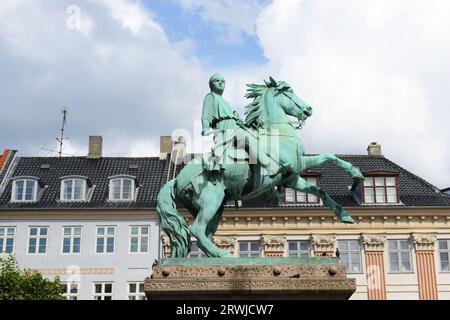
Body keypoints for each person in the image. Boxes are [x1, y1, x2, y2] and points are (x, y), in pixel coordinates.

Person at [201, 73, 279, 176]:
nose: (220, 82)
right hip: (226, 128)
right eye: (217, 81)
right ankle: (269, 167)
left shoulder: (224, 101)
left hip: (236, 125)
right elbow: (205, 114)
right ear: (211, 84)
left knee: (259, 137)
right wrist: (205, 127)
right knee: (249, 139)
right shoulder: (211, 97)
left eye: (222, 81)